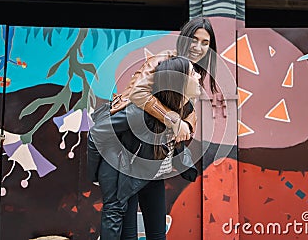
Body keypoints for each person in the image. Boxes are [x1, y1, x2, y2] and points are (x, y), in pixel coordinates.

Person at [87, 56, 201, 240]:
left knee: (158, 234)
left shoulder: (184, 107)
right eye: (193, 73)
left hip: (152, 173)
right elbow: (95, 134)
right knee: (128, 235)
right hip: (126, 173)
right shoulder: (138, 112)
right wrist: (93, 175)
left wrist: (183, 160)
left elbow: (172, 140)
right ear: (179, 81)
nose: (199, 76)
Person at [110, 16, 217, 144]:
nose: (198, 48)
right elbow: (138, 93)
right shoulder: (162, 61)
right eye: (193, 40)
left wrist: (187, 125)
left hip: (155, 137)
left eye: (205, 43)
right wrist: (174, 121)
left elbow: (188, 106)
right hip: (129, 129)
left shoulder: (194, 71)